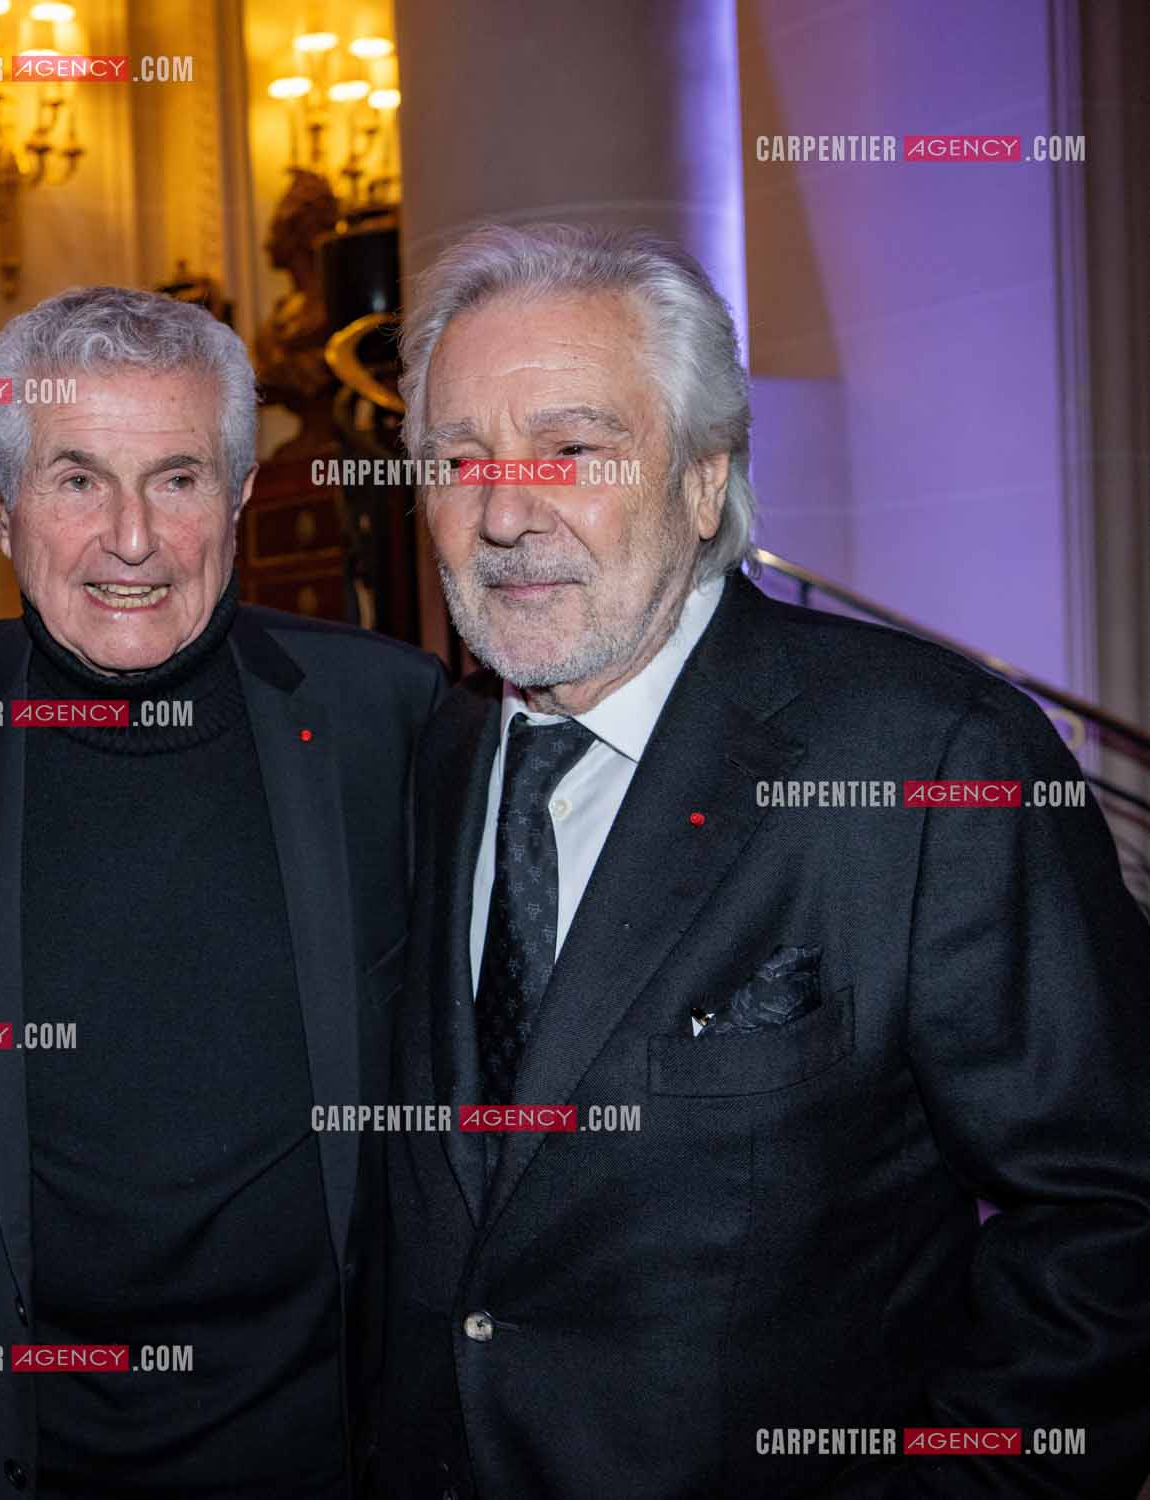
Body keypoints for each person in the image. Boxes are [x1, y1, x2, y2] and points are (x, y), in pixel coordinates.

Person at [379, 221, 1150, 1499]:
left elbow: (1108, 1216)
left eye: (572, 451)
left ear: (703, 482)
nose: (505, 512)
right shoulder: (436, 754)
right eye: (461, 461)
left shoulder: (932, 758)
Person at [0, 285, 446, 1498]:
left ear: (241, 494)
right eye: (76, 481)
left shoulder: (392, 721)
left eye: (176, 478)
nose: (131, 539)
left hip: (332, 1451)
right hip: (11, 1459)